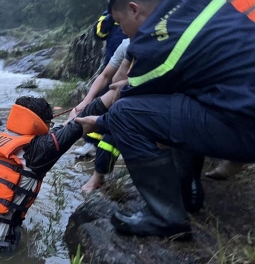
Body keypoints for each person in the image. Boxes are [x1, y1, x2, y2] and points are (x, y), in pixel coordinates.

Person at [75, 0, 255, 239]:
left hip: (244, 125)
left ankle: (165, 217)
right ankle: (187, 193)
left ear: (134, 8)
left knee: (125, 114)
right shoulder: (192, 5)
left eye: (120, 24)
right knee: (176, 100)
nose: (123, 32)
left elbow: (126, 106)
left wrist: (96, 122)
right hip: (239, 102)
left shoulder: (156, 42)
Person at [0, 96, 107, 252]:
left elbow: (57, 135)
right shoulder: (40, 150)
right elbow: (83, 121)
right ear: (41, 125)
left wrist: (70, 120)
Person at [68, 38, 131, 193]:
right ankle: (98, 176)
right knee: (109, 126)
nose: (122, 29)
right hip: (123, 97)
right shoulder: (126, 45)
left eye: (121, 21)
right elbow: (106, 77)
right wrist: (85, 104)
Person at [73, 12, 128, 157]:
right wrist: (86, 101)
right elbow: (99, 33)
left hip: (135, 65)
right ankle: (91, 143)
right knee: (102, 104)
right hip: (112, 63)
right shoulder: (110, 13)